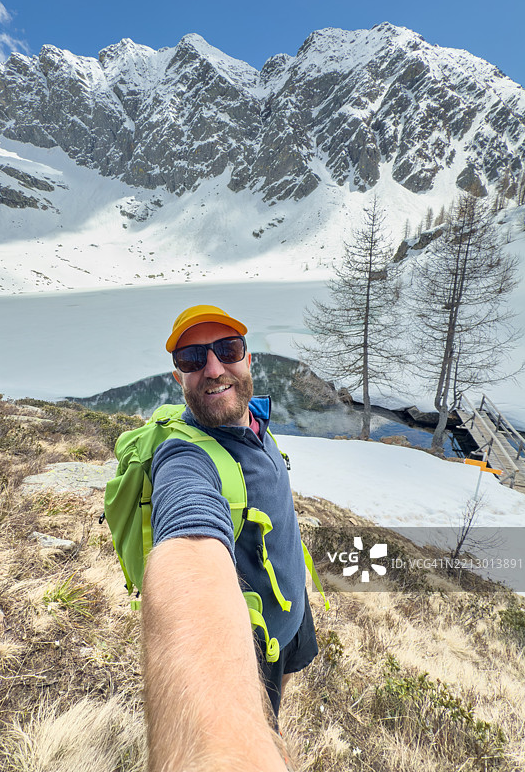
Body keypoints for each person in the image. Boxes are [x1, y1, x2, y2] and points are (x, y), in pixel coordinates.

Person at [141, 304, 318, 771]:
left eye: (228, 349)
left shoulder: (253, 420)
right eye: (193, 358)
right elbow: (189, 546)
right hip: (249, 645)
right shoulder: (184, 458)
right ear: (178, 375)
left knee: (287, 676)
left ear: (249, 358)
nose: (214, 368)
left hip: (290, 609)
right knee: (263, 717)